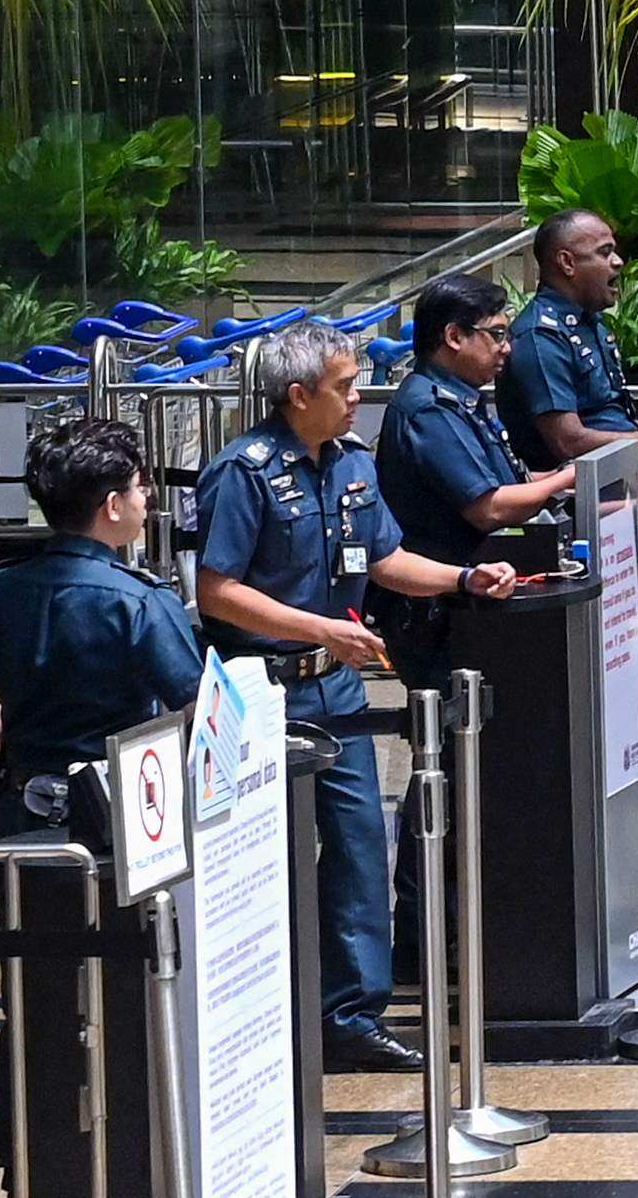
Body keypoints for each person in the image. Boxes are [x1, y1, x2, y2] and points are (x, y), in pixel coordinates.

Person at [195, 321, 520, 1069]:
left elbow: (386, 558)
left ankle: (351, 1015)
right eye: (344, 387)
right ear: (298, 394)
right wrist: (319, 628)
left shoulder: (352, 466)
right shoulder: (242, 472)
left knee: (356, 846)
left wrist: (464, 578)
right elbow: (217, 592)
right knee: (259, 859)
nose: (358, 397)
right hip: (258, 691)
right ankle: (256, 1012)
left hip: (334, 690)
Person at [499, 207, 638, 802]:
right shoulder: (541, 337)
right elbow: (568, 442)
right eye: (604, 252)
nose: (618, 262)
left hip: (626, 510)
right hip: (580, 525)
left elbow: (606, 421)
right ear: (566, 263)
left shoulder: (589, 324)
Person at [0, 419, 200, 837]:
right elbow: (198, 713)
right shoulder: (142, 601)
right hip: (122, 821)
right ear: (112, 505)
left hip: (20, 814)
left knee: (22, 904)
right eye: (139, 487)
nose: (146, 499)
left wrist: (22, 754)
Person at [375, 271, 579, 689]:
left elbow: (506, 480)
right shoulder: (427, 409)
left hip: (479, 595)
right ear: (454, 336)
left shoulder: (460, 398)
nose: (507, 348)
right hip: (442, 613)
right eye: (497, 334)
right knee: (469, 740)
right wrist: (566, 478)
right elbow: (488, 508)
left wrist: (554, 481)